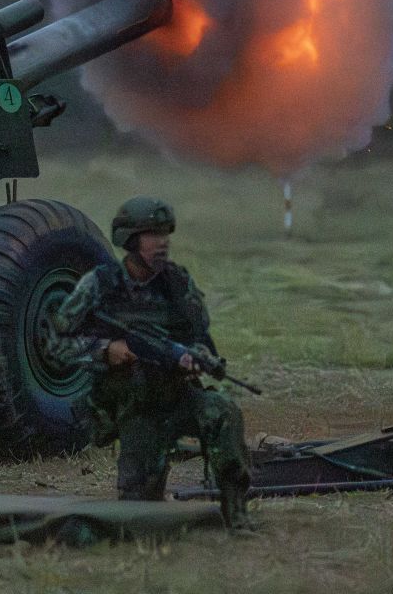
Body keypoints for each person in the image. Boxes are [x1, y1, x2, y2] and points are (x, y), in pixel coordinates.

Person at [49, 196, 251, 528]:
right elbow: (55, 344)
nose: (163, 243)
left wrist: (196, 356)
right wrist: (105, 349)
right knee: (138, 514)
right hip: (135, 407)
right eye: (152, 235)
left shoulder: (177, 283)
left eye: (165, 234)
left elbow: (200, 337)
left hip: (178, 396)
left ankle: (237, 514)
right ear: (130, 240)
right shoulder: (99, 285)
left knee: (224, 412)